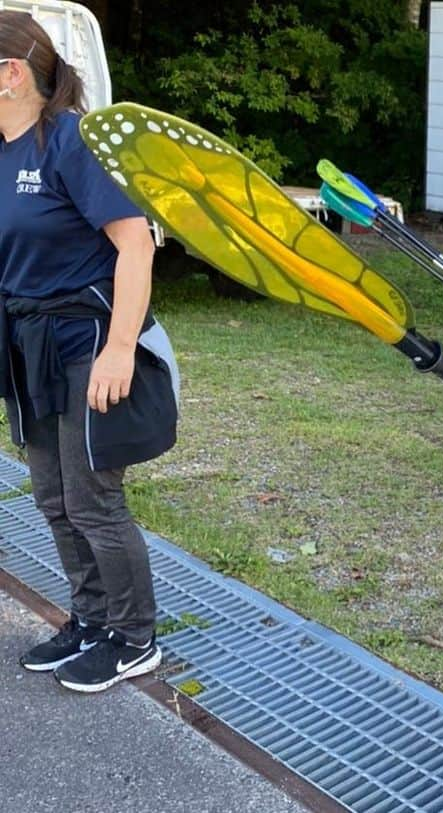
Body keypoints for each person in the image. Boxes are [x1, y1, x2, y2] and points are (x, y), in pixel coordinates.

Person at [0, 11, 179, 693]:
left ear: (10, 74)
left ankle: (135, 638)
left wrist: (121, 349)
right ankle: (91, 618)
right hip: (30, 346)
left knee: (92, 497)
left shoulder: (70, 141)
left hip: (88, 342)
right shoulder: (3, 152)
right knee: (51, 494)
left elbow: (136, 243)